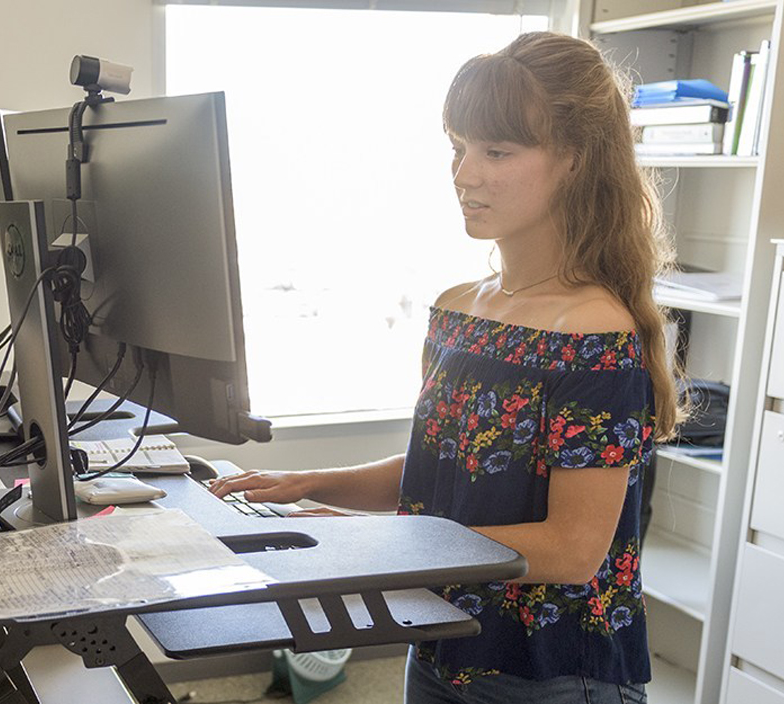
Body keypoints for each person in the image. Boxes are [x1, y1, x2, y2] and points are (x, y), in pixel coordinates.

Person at [209, 31, 681, 704]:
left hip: (549, 673)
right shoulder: (461, 308)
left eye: (497, 151)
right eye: (459, 148)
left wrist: (386, 541)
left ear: (575, 161)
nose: (464, 174)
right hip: (443, 646)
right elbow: (447, 476)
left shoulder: (593, 330)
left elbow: (574, 549)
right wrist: (308, 484)